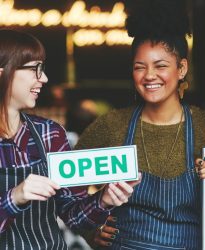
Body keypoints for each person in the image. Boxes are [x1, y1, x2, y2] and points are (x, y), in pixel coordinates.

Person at [74, 0, 205, 249]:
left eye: (161, 66)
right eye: (139, 67)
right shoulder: (112, 125)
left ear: (182, 68)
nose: (149, 76)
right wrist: (90, 227)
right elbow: (63, 182)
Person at [0, 29, 140, 249]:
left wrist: (104, 200)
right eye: (35, 69)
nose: (44, 78)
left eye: (43, 69)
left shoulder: (50, 134)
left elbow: (73, 217)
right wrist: (15, 197)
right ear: (3, 73)